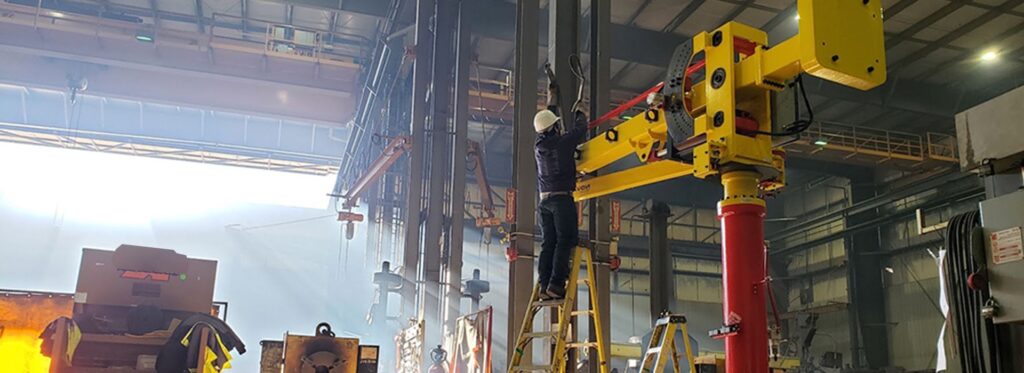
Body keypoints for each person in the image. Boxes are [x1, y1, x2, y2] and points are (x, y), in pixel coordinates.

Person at [534, 106, 588, 300]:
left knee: (549, 243)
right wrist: (580, 115)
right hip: (561, 199)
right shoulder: (562, 143)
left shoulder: (539, 147)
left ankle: (544, 285)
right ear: (553, 127)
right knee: (565, 240)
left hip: (544, 201)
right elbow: (580, 130)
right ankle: (556, 285)